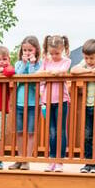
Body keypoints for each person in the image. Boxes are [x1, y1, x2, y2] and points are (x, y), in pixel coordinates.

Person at [71, 39, 95, 174]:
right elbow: (73, 70)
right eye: (86, 58)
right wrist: (89, 70)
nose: (89, 61)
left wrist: (88, 71)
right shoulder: (85, 63)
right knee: (87, 134)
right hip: (87, 104)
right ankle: (87, 163)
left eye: (92, 58)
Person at [40, 35, 72, 173]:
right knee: (52, 131)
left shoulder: (66, 61)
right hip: (47, 100)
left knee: (61, 130)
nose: (54, 56)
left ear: (63, 49)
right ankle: (52, 159)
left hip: (61, 101)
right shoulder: (46, 61)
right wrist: (49, 73)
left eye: (57, 53)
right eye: (51, 53)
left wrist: (52, 73)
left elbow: (62, 71)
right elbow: (39, 74)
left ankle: (60, 161)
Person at [11, 36, 43, 170]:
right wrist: (24, 64)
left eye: (30, 50)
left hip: (33, 104)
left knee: (30, 132)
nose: (27, 52)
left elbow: (34, 81)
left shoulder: (40, 65)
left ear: (36, 50)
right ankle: (20, 158)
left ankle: (27, 160)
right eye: (25, 50)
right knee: (19, 132)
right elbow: (17, 77)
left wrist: (31, 65)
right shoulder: (18, 64)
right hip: (19, 103)